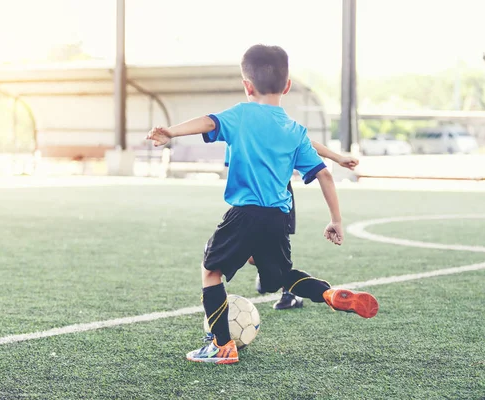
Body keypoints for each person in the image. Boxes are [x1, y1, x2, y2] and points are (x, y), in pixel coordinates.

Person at [146, 44, 378, 365]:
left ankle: (222, 346)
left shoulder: (241, 114)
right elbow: (324, 174)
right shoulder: (295, 130)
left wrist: (170, 132)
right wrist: (335, 219)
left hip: (244, 213)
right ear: (287, 86)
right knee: (281, 275)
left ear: (247, 85)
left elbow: (209, 123)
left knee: (211, 271)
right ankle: (326, 293)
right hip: (278, 217)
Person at [247, 143, 358, 310]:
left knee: (277, 257)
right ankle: (270, 274)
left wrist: (338, 158)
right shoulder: (244, 124)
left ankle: (291, 293)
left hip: (278, 200)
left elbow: (303, 141)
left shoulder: (280, 126)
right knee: (253, 258)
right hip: (247, 200)